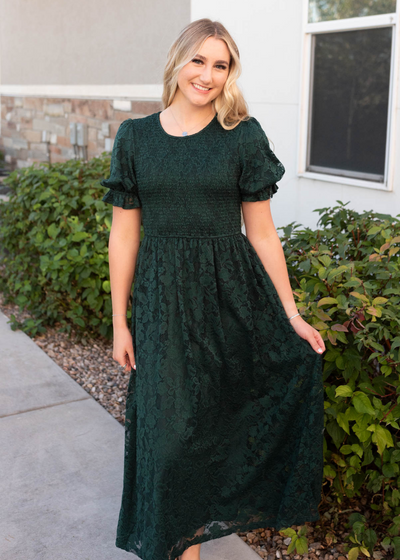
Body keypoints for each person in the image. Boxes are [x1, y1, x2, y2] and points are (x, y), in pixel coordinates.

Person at [100, 18, 326, 560]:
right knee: (170, 442)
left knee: (209, 435)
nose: (207, 75)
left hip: (230, 301)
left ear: (229, 74)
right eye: (198, 60)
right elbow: (124, 234)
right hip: (162, 305)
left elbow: (263, 233)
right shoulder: (135, 137)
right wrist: (119, 321)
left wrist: (290, 313)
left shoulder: (242, 136)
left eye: (220, 65)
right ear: (177, 61)